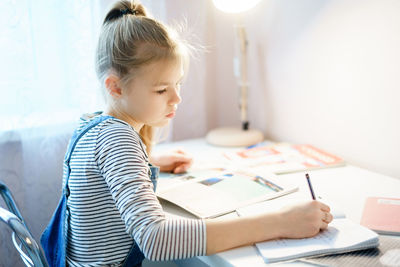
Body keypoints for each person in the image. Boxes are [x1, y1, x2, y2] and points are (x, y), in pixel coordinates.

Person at [41, 1, 333, 266]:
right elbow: (156, 239)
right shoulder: (118, 140)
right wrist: (280, 222)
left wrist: (148, 160)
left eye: (177, 84)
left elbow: (99, 171)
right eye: (161, 89)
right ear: (115, 87)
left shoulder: (93, 125)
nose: (176, 98)